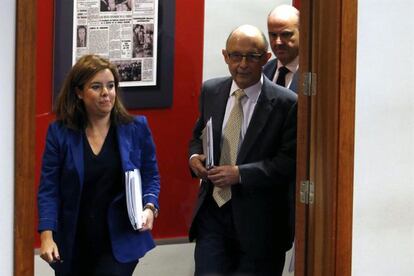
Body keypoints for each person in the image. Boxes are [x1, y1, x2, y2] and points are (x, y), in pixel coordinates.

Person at [188, 25, 297, 276]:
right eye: (236, 56)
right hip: (213, 216)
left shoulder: (286, 103)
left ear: (266, 59)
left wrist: (241, 174)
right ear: (226, 56)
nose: (243, 64)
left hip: (261, 225)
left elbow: (289, 162)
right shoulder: (211, 90)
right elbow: (197, 135)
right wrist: (194, 158)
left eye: (252, 57)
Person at [37, 54, 160, 276]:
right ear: (79, 93)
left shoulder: (136, 128)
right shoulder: (60, 133)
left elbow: (151, 176)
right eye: (96, 87)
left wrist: (150, 207)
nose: (106, 93)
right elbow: (49, 188)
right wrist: (47, 236)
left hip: (118, 240)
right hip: (74, 240)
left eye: (110, 86)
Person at [264, 5, 300, 92]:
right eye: (273, 35)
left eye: (285, 34)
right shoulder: (263, 72)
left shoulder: (314, 73)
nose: (278, 42)